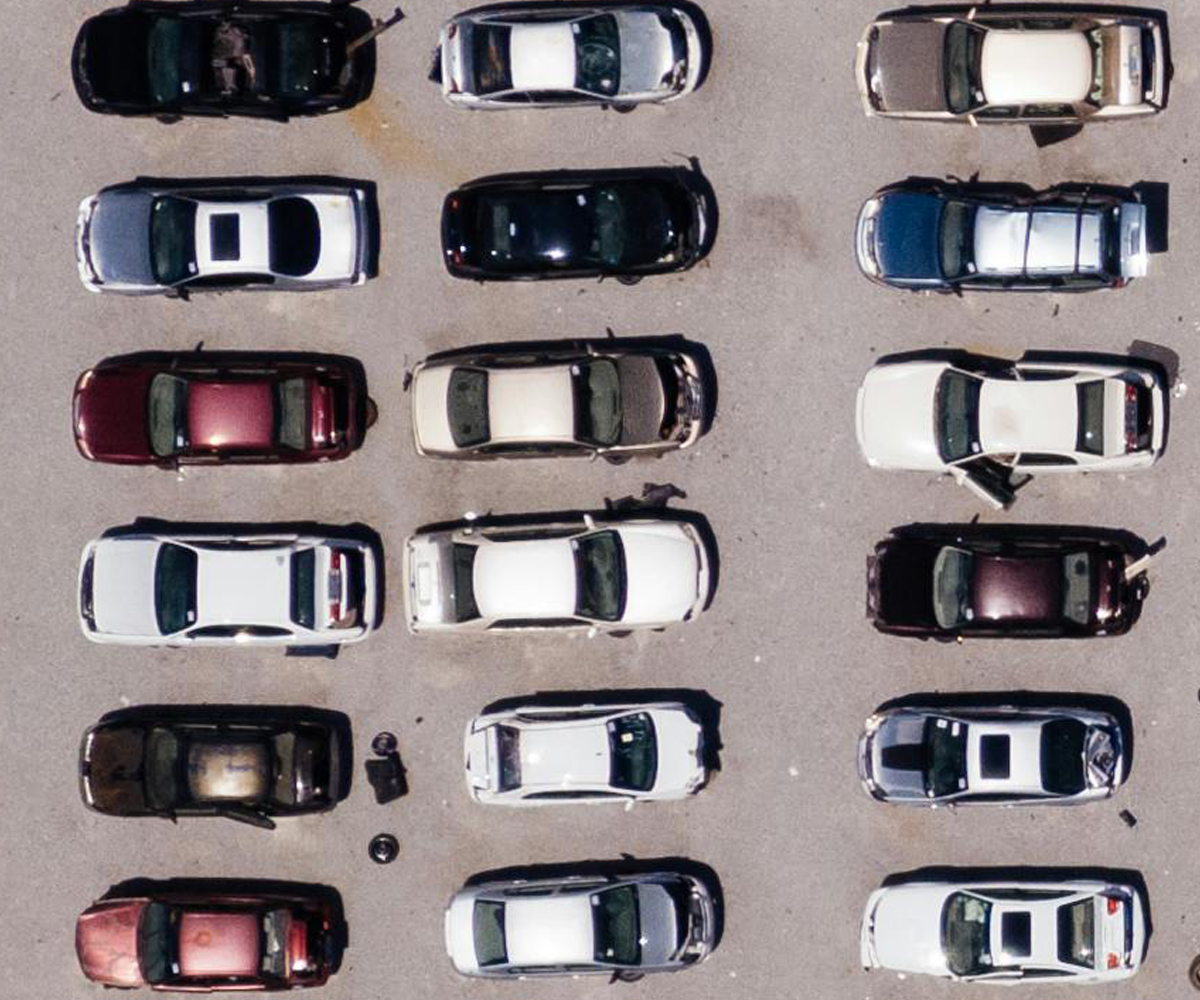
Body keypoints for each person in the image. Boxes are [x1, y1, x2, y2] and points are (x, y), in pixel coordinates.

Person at [212, 21, 256, 95]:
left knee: (230, 68)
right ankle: (229, 86)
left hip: (236, 56)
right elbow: (221, 37)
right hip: (229, 56)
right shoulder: (231, 35)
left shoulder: (240, 37)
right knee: (226, 68)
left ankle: (232, 86)